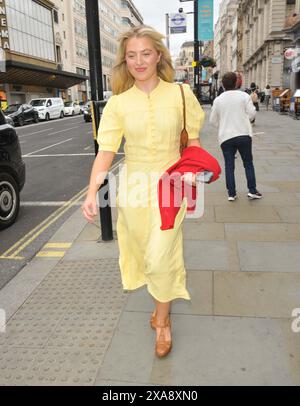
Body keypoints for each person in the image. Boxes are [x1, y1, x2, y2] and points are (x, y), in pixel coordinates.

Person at [81, 25, 205, 358]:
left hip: (171, 187)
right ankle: (160, 309)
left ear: (158, 55)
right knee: (145, 256)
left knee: (162, 256)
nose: (139, 61)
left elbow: (192, 140)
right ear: (125, 61)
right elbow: (106, 151)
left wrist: (191, 173)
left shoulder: (181, 94)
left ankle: (163, 323)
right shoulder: (118, 104)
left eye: (146, 53)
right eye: (132, 55)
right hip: (134, 191)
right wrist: (92, 192)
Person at [209, 72, 262, 201]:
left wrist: (223, 125)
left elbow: (212, 121)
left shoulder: (218, 100)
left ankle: (231, 193)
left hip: (226, 137)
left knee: (229, 165)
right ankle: (252, 190)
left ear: (223, 84)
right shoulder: (244, 96)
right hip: (243, 134)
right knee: (248, 163)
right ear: (236, 83)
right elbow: (252, 113)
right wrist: (245, 120)